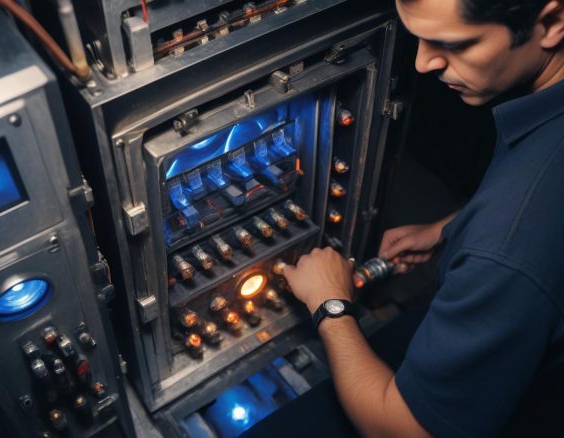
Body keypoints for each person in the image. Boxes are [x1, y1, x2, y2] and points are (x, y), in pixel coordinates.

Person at [242, 0, 564, 436]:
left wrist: (330, 306)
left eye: (453, 44)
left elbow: (406, 430)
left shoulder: (505, 247)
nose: (422, 62)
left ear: (553, 22)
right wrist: (455, 227)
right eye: (418, 36)